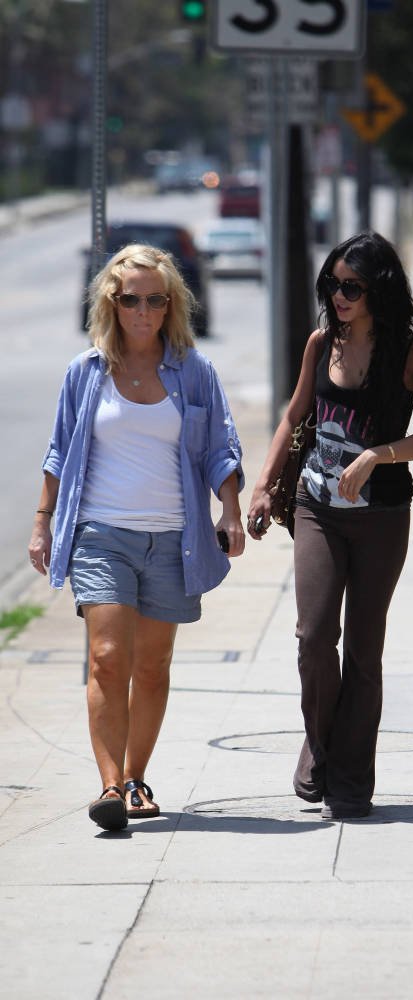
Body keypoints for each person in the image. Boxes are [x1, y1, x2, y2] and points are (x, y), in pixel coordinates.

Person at [28, 244, 245, 832]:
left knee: (151, 667)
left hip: (173, 538)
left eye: (154, 299)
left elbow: (221, 450)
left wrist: (230, 511)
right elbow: (59, 452)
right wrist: (43, 522)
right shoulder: (86, 372)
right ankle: (108, 788)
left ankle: (133, 777)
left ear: (170, 303)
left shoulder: (194, 372)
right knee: (106, 659)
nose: (143, 310)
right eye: (131, 299)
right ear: (112, 302)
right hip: (102, 534)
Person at [246, 231, 413, 820]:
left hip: (383, 516)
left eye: (352, 287)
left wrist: (376, 455)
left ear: (378, 288)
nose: (339, 296)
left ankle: (351, 777)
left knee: (364, 648)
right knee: (314, 637)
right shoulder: (322, 344)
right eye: (333, 284)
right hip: (316, 508)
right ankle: (319, 742)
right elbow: (293, 418)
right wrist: (264, 485)